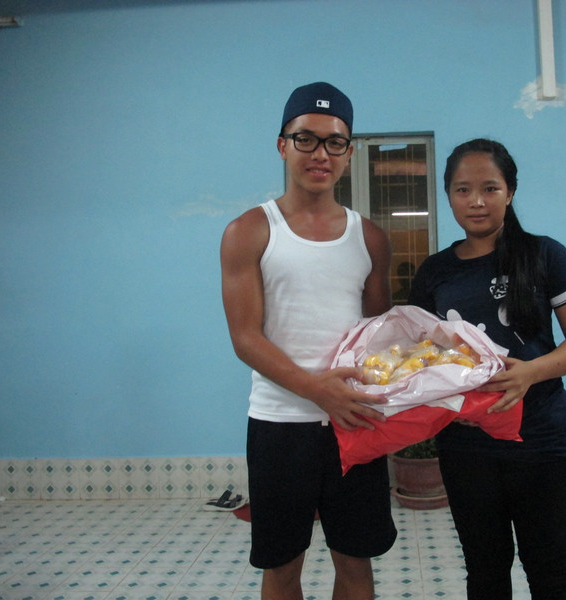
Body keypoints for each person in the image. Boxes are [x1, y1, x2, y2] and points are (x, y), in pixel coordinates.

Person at [220, 82, 397, 600]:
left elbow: (379, 333)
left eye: (334, 142)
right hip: (279, 426)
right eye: (306, 139)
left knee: (356, 563)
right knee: (281, 567)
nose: (321, 154)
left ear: (349, 152)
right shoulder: (250, 230)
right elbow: (245, 338)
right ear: (283, 145)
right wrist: (318, 390)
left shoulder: (370, 238)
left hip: (355, 423)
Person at [408, 138, 566, 600]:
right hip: (466, 449)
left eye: (489, 188)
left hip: (542, 442)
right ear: (448, 195)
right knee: (485, 573)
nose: (476, 201)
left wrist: (530, 372)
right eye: (462, 190)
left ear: (509, 192)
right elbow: (421, 356)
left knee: (549, 574)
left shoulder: (545, 254)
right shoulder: (435, 272)